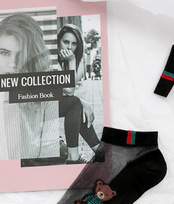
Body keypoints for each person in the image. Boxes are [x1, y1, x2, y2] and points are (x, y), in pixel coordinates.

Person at [0, 13, 59, 161]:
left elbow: (49, 156)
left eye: (21, 55)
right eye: (4, 53)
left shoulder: (47, 95)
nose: (13, 64)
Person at [57, 24, 104, 163]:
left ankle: (99, 150)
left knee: (76, 104)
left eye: (74, 44)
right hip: (32, 105)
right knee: (74, 103)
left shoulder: (64, 62)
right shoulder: (52, 60)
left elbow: (65, 92)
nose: (69, 47)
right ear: (58, 42)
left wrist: (83, 103)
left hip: (46, 103)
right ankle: (74, 158)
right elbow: (69, 90)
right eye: (66, 42)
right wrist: (72, 61)